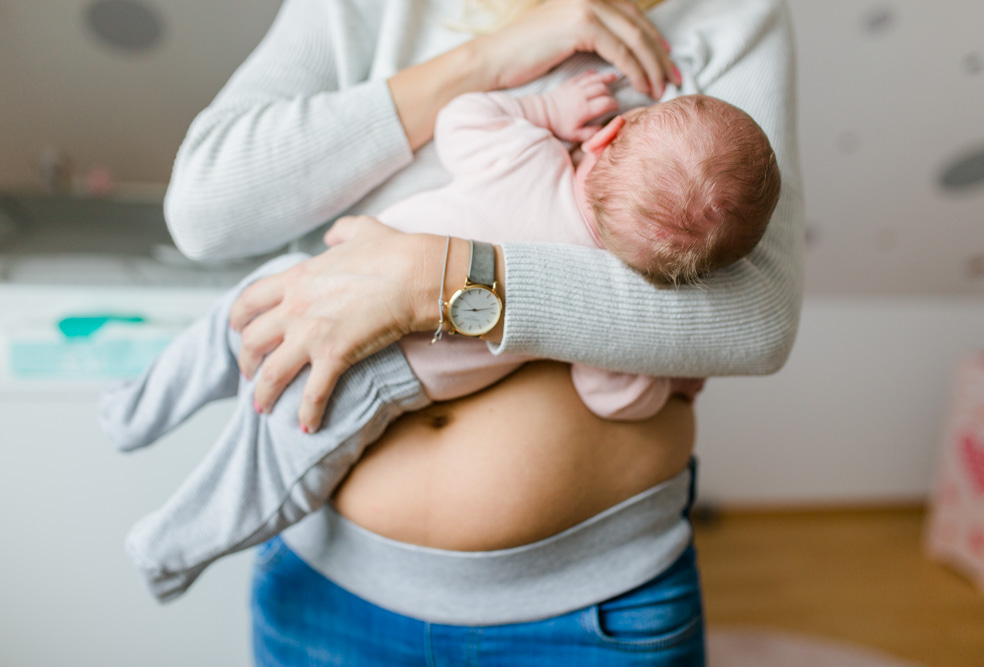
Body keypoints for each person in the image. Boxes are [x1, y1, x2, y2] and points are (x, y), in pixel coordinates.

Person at [162, 0, 803, 664]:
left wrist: (438, 280)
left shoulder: (729, 12)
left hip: (593, 609)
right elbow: (204, 211)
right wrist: (484, 60)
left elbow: (759, 320)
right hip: (328, 591)